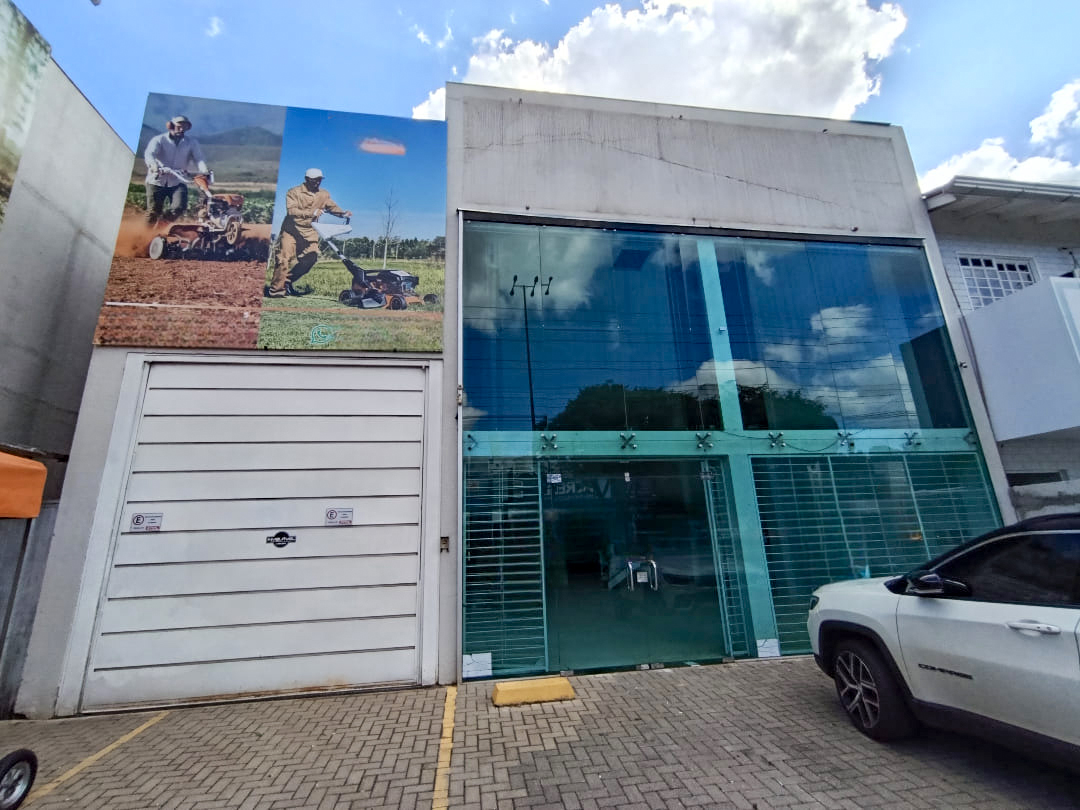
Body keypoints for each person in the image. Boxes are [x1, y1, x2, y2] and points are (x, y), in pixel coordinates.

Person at [267, 168, 351, 298]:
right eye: (314, 180)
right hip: (291, 230)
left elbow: (331, 207)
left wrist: (343, 214)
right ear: (306, 179)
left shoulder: (323, 194)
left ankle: (287, 282)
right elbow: (291, 211)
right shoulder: (293, 192)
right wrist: (311, 213)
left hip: (310, 231)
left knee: (311, 258)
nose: (317, 183)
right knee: (283, 259)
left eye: (319, 180)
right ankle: (277, 291)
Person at [144, 115, 210, 224]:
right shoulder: (159, 140)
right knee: (153, 211)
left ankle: (159, 229)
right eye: (179, 126)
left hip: (178, 180)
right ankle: (144, 235)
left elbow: (199, 158)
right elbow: (149, 154)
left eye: (184, 127)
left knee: (179, 207)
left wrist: (204, 170)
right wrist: (153, 165)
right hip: (156, 180)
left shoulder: (191, 143)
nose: (182, 129)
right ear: (170, 126)